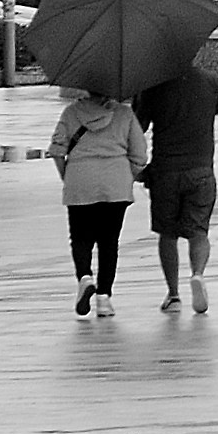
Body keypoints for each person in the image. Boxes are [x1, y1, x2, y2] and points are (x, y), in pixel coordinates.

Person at [134, 65, 218, 314]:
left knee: (167, 234)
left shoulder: (153, 86)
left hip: (165, 173)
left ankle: (173, 295)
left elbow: (135, 130)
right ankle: (198, 274)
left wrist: (135, 167)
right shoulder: (211, 81)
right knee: (199, 232)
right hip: (201, 172)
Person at [49, 91, 149, 318]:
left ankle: (85, 277)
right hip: (115, 185)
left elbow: (56, 151)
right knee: (109, 242)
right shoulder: (125, 114)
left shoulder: (71, 112)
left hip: (80, 181)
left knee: (80, 237)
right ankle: (104, 298)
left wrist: (69, 177)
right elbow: (140, 155)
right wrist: (126, 176)